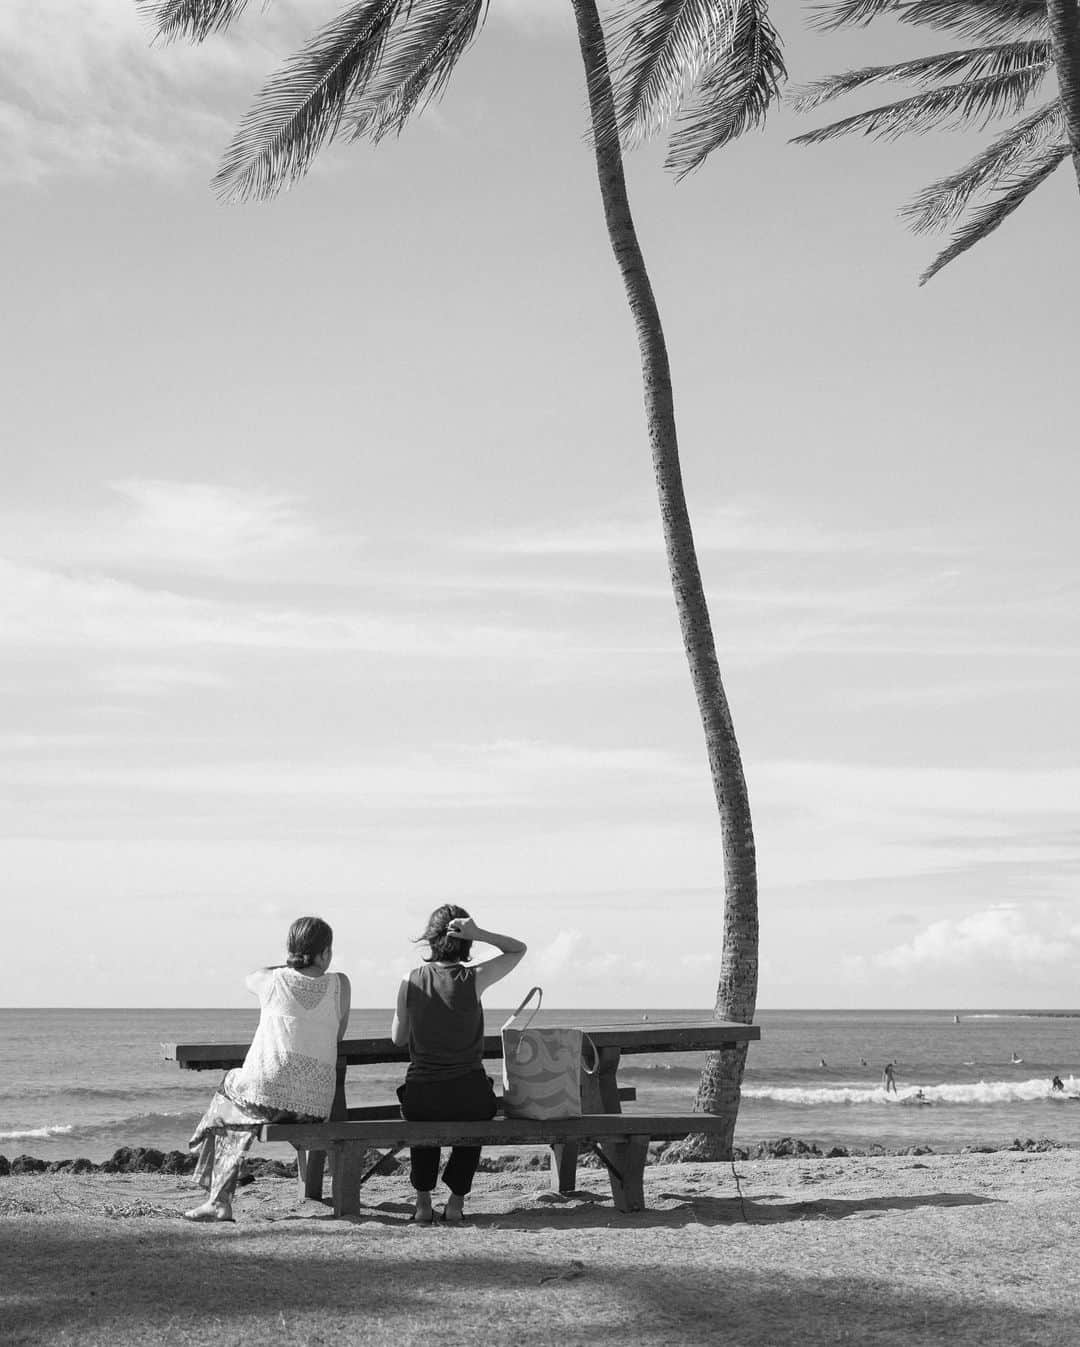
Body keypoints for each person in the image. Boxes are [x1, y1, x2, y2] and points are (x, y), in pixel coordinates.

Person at [184, 916, 351, 1222]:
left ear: (291, 950)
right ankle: (218, 1187)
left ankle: (218, 1196)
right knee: (234, 1104)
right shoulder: (340, 985)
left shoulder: (271, 980)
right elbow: (337, 1036)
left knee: (230, 1091)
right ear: (326, 953)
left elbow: (250, 976)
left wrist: (290, 962)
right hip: (314, 1109)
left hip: (266, 1099)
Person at [391, 905, 526, 1225]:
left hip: (422, 1095)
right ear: (465, 943)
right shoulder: (475, 977)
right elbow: (518, 949)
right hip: (468, 1094)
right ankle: (455, 1201)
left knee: (421, 1121)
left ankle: (423, 1203)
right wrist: (480, 933)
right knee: (479, 1108)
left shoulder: (410, 980)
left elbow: (398, 1038)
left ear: (430, 939)